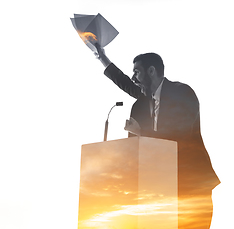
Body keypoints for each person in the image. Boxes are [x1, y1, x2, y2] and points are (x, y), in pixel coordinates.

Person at [94, 46, 220, 228]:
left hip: (191, 184)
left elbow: (179, 134)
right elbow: (124, 82)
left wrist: (142, 133)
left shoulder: (182, 93)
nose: (133, 78)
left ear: (151, 71)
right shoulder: (146, 99)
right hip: (161, 185)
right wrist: (102, 58)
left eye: (137, 72)